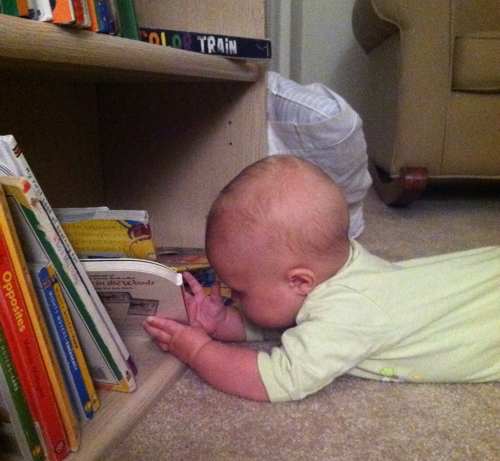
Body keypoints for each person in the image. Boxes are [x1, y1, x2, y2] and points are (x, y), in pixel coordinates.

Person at [142, 155, 500, 402]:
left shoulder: (349, 312)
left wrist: (198, 350)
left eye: (240, 291)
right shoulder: (336, 269)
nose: (233, 297)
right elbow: (288, 317)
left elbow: (279, 378)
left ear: (300, 282)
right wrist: (224, 323)